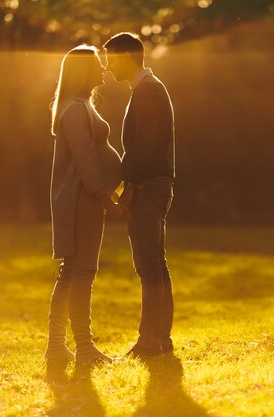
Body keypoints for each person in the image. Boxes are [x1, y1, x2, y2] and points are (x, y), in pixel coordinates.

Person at [45, 45, 125, 370]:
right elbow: (86, 160)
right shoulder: (75, 109)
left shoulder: (79, 106)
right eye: (96, 65)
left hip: (83, 198)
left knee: (71, 273)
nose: (103, 70)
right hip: (82, 200)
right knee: (81, 273)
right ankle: (85, 349)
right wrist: (107, 197)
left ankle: (56, 348)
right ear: (83, 71)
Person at [103, 33, 176, 358]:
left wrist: (122, 184)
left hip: (149, 188)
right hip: (151, 186)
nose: (107, 67)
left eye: (111, 59)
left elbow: (142, 150)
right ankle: (159, 340)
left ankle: (150, 342)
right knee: (155, 265)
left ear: (128, 57)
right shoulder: (147, 89)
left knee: (149, 266)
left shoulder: (148, 92)